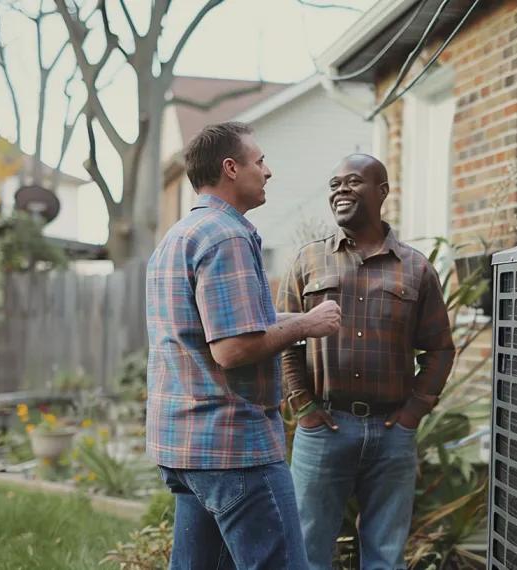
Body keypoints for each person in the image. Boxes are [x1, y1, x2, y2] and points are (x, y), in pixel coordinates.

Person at [145, 121, 341, 570]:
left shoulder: (179, 237)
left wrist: (301, 319)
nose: (268, 171)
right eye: (260, 161)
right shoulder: (227, 236)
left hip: (186, 447)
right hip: (234, 448)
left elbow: (223, 327)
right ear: (231, 169)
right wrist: (306, 325)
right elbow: (232, 348)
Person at [277, 154, 457, 569]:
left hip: (391, 432)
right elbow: (286, 340)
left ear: (382, 191)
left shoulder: (416, 269)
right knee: (306, 548)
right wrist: (303, 406)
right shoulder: (308, 261)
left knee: (385, 554)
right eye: (334, 183)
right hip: (323, 427)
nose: (340, 189)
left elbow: (441, 350)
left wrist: (414, 411)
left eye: (353, 182)